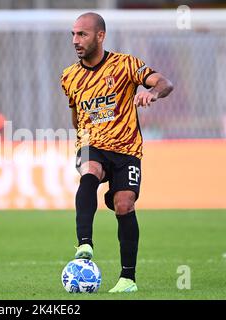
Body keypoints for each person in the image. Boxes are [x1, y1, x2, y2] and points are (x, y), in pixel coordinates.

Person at [60, 12, 173, 293]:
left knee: (124, 204)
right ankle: (84, 242)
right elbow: (75, 116)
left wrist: (152, 94)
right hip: (91, 143)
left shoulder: (125, 65)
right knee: (90, 171)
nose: (75, 40)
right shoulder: (69, 77)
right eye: (73, 34)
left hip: (126, 148)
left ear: (100, 36)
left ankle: (127, 279)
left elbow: (164, 83)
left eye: (82, 34)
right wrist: (86, 127)